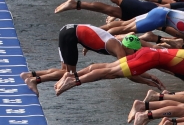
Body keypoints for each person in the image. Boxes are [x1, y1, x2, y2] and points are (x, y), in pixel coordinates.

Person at [54, 40, 184, 95]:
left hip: (147, 55)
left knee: (108, 68)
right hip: (149, 58)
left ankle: (73, 75)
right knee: (110, 72)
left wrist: (151, 80)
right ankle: (73, 80)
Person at [20, 24, 165, 96]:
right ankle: (35, 80)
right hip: (71, 35)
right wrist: (147, 80)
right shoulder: (119, 50)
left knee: (64, 71)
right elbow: (127, 72)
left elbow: (97, 34)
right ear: (128, 48)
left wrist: (88, 45)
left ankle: (30, 74)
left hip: (68, 30)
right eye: (133, 52)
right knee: (70, 74)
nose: (133, 56)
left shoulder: (120, 42)